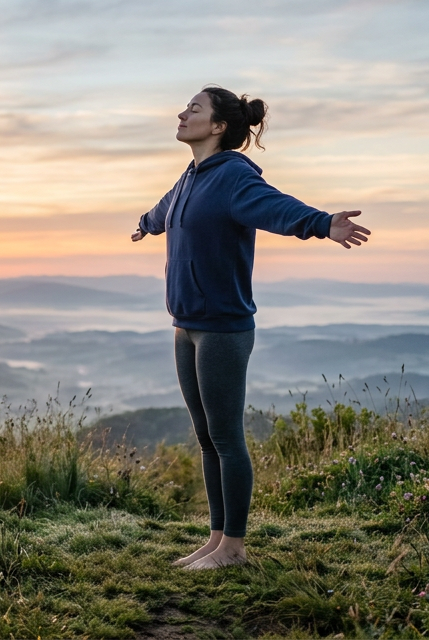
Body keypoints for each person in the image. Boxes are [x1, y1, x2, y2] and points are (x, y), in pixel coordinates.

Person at [131, 86, 370, 570]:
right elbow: (164, 210)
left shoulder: (234, 177)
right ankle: (217, 539)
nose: (182, 113)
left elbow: (276, 208)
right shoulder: (189, 178)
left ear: (218, 126)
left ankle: (235, 549)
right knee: (205, 437)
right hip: (187, 324)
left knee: (225, 437)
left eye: (194, 109)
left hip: (223, 328)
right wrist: (146, 223)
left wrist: (324, 223)